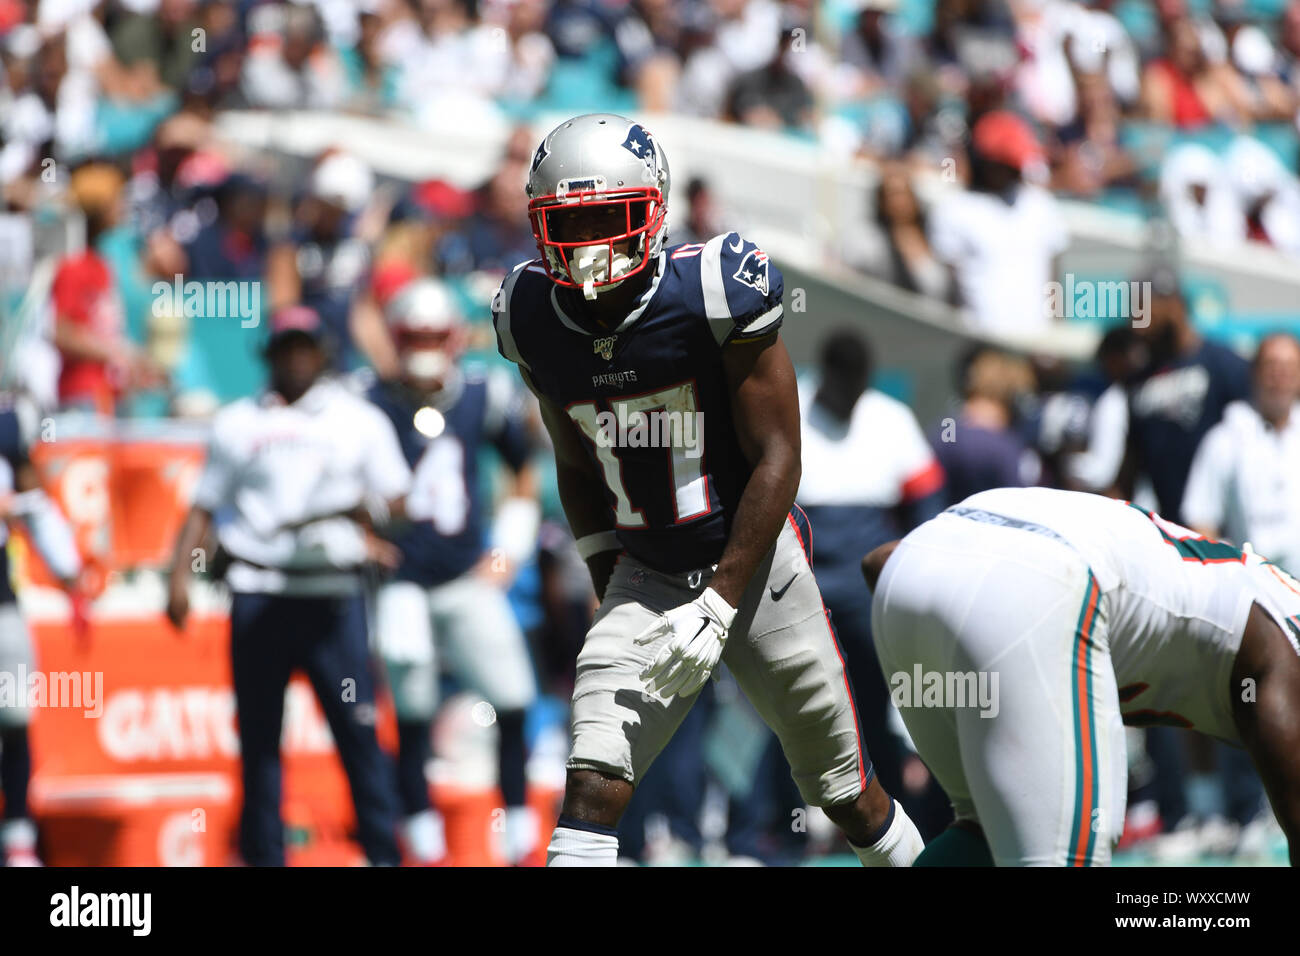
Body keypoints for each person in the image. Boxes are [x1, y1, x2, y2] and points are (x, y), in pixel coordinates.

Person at [492, 113, 922, 867]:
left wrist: (720, 601)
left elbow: (781, 458)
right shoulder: (529, 317)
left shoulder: (716, 289)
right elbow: (576, 462)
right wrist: (612, 592)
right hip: (647, 570)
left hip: (756, 567)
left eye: (605, 219)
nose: (588, 245)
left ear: (651, 213)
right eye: (570, 223)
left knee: (845, 792)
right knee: (592, 785)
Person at [865, 487, 1300, 866]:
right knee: (1077, 843)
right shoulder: (1282, 642)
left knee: (982, 837)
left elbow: (879, 562)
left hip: (906, 579)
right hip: (1039, 588)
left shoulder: (1252, 598)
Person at [166, 305, 409, 866]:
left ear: (322, 352)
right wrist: (178, 577)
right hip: (259, 591)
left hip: (332, 596)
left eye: (305, 346)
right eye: (285, 347)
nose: (296, 358)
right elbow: (203, 506)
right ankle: (264, 857)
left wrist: (358, 508)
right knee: (259, 742)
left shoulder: (357, 418)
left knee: (357, 732)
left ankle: (382, 855)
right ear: (269, 355)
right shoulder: (237, 422)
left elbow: (399, 500)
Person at [365, 278, 543, 865]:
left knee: (513, 698)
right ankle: (420, 836)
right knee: (411, 713)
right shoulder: (369, 400)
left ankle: (518, 827)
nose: (422, 345)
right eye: (412, 335)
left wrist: (507, 551)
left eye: (432, 335)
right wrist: (363, 536)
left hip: (467, 577)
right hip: (402, 585)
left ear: (454, 339)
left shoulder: (479, 395)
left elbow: (523, 471)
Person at [796, 330, 945, 812]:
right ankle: (782, 826)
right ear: (827, 375)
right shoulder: (788, 404)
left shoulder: (890, 418)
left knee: (879, 702)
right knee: (794, 703)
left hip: (870, 582)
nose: (848, 398)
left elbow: (927, 509)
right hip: (801, 578)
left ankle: (891, 813)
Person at [0, 391, 85, 867]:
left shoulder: (8, 424)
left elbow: (34, 501)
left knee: (13, 717)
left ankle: (17, 836)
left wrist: (70, 570)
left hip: (1, 598)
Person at [928, 110, 1068, 335]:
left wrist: (1056, 332)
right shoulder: (954, 209)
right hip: (979, 339)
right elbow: (948, 287)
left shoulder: (1042, 205)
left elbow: (1054, 280)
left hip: (1036, 340)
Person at [1184, 333, 1300, 574]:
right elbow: (1201, 519)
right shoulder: (1224, 439)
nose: (1280, 377)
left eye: (1289, 368)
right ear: (1255, 373)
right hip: (1254, 593)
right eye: (1272, 367)